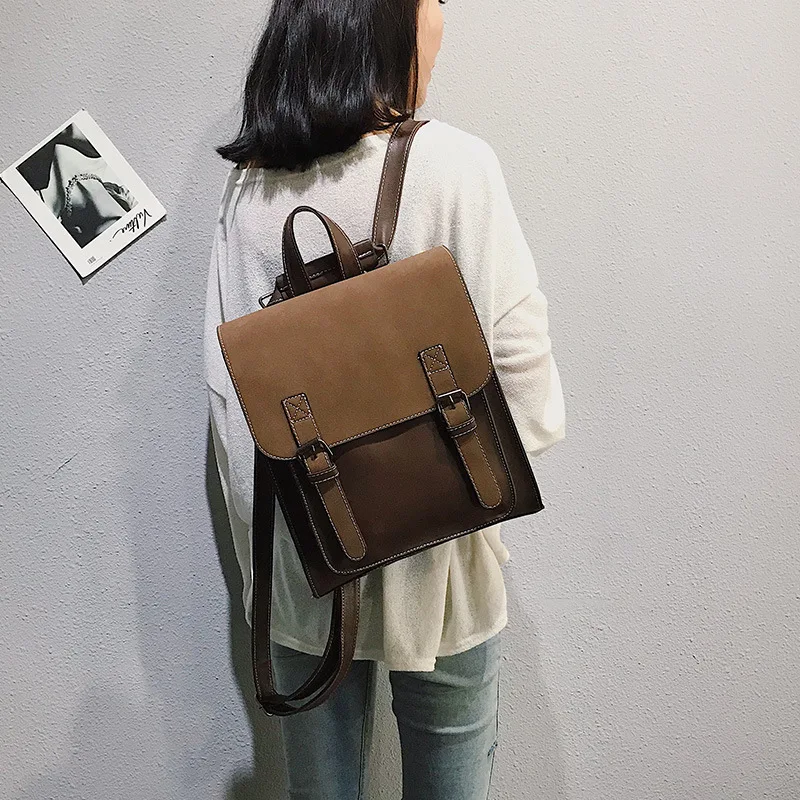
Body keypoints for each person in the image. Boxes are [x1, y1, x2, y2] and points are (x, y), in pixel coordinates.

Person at [203, 0, 566, 797]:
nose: (441, 25)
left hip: (307, 579)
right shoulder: (457, 166)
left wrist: (296, 552)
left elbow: (235, 423)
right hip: (443, 574)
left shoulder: (247, 188)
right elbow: (527, 391)